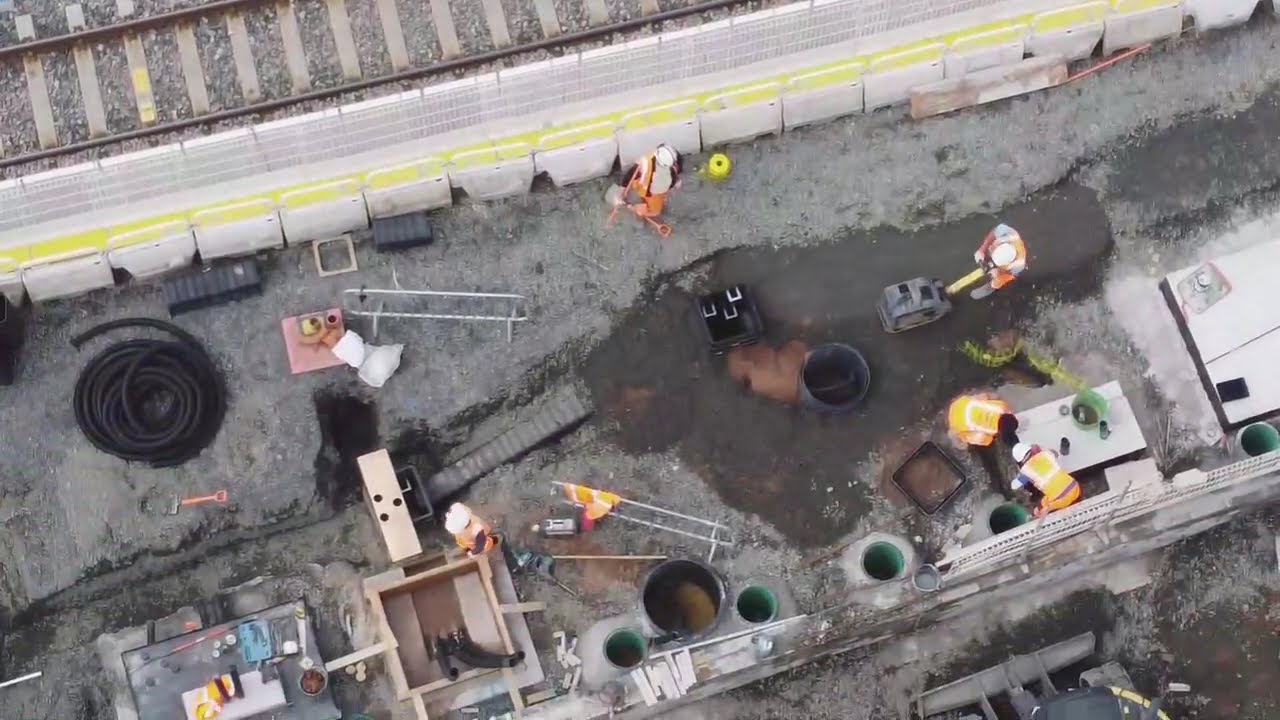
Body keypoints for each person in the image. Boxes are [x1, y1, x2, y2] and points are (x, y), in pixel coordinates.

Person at [1010, 442, 1082, 517]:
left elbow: (1013, 486)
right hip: (1075, 487)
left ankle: (1037, 516)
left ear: (1020, 460)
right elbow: (1055, 453)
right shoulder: (1047, 454)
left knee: (1040, 511)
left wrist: (1020, 476)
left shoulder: (1026, 471)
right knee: (1043, 501)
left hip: (1061, 498)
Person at [613, 144, 683, 219]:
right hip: (650, 192)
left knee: (657, 203)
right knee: (654, 211)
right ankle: (632, 207)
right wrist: (620, 192)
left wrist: (676, 181)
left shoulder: (671, 160)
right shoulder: (645, 167)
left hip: (656, 190)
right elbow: (630, 175)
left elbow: (677, 171)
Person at [970, 223, 1027, 299]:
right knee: (986, 249)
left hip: (1007, 270)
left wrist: (998, 273)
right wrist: (982, 249)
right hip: (997, 248)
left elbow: (1009, 273)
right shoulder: (1008, 233)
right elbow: (994, 232)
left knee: (996, 282)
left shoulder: (1018, 265)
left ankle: (989, 288)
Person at [947, 393, 1020, 448]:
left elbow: (987, 395)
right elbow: (984, 440)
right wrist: (991, 439)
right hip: (958, 427)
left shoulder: (1002, 406)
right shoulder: (993, 430)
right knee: (963, 444)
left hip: (957, 405)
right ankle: (953, 435)